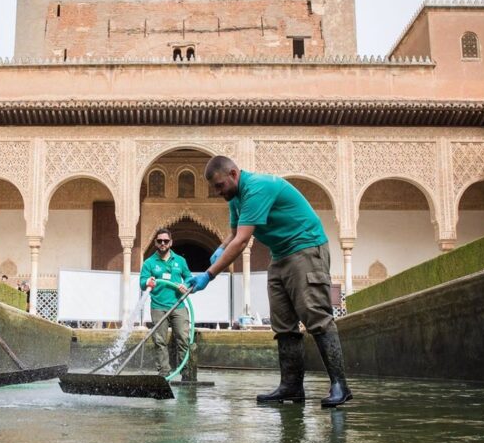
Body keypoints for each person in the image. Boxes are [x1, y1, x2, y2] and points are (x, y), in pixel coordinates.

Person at [187, 155, 352, 408]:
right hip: (280, 255)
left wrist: (209, 274)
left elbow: (242, 241)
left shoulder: (257, 188)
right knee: (283, 323)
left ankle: (340, 384)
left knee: (314, 314)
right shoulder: (235, 198)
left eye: (220, 186)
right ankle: (291, 386)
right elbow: (232, 235)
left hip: (305, 247)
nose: (218, 192)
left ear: (233, 174)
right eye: (214, 188)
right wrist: (220, 248)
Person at [138, 228, 192, 378]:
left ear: (171, 242)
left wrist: (185, 285)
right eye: (160, 241)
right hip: (158, 306)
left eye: (166, 241)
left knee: (183, 339)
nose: (163, 243)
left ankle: (186, 373)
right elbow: (142, 282)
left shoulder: (180, 261)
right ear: (156, 242)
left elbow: (189, 278)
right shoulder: (149, 262)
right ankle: (164, 374)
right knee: (160, 341)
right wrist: (148, 281)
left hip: (178, 305)